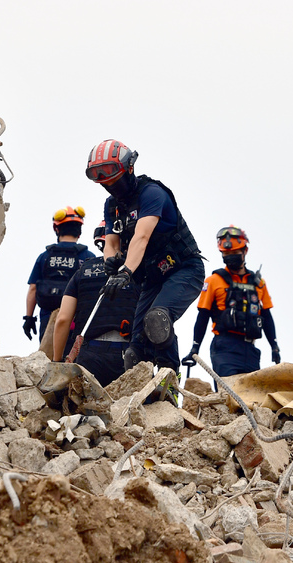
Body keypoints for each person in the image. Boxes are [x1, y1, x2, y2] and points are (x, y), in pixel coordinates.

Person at [85, 139, 205, 380]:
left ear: (128, 168)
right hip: (152, 279)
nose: (107, 182)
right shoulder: (112, 206)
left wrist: (126, 271)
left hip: (184, 269)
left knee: (157, 320)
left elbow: (141, 236)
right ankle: (143, 394)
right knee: (134, 350)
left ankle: (170, 379)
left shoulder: (151, 193)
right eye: (100, 178)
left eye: (110, 174)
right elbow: (112, 242)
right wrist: (111, 263)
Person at [182, 226, 280, 376]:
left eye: (234, 253)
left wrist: (274, 346)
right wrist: (195, 348)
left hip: (251, 350)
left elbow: (266, 316)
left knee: (251, 397)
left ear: (245, 251)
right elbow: (203, 316)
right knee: (229, 393)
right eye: (226, 254)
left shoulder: (259, 284)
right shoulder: (214, 281)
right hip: (224, 348)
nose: (230, 257)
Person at [53, 221, 139, 386]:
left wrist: (57, 362)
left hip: (89, 357)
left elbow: (63, 319)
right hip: (129, 355)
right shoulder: (138, 272)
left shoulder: (83, 271)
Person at [23, 206, 95, 342]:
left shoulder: (44, 257)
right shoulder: (88, 257)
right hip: (77, 318)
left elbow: (33, 289)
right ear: (79, 231)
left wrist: (29, 318)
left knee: (48, 357)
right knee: (74, 358)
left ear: (56, 229)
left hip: (48, 317)